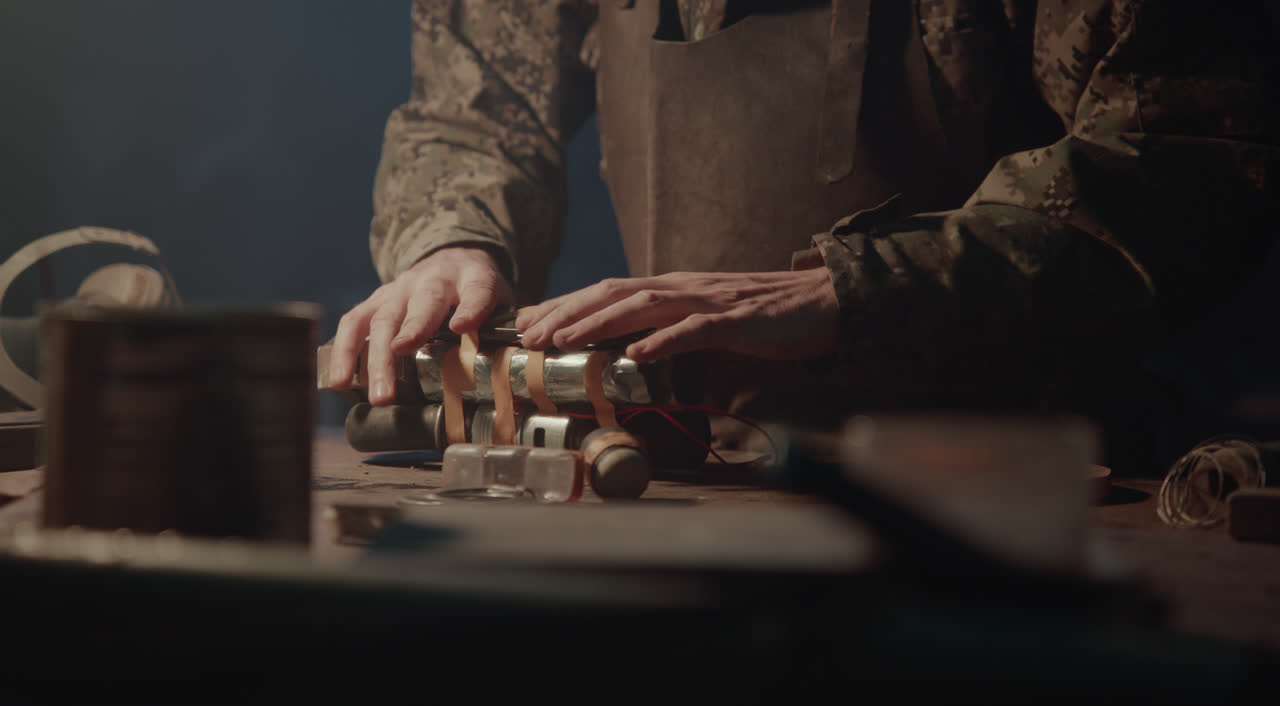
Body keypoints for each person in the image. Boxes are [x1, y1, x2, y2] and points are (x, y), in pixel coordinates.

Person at [328, 0, 1277, 459]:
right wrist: (453, 239)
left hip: (1027, 491)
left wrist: (852, 291)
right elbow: (474, 109)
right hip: (685, 472)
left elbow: (1185, 154)